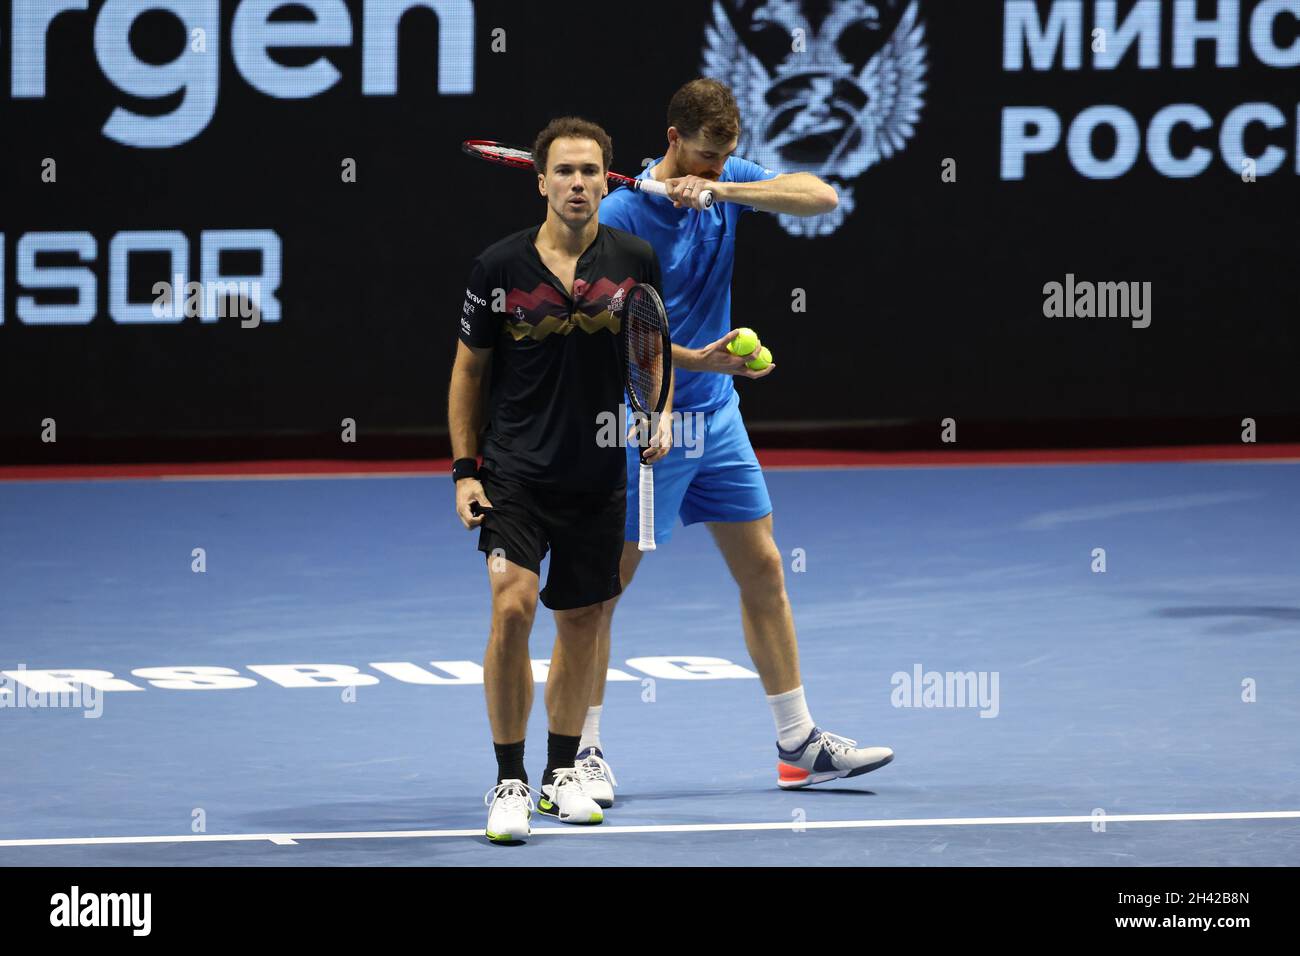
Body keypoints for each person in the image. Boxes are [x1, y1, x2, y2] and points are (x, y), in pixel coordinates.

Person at [575, 79, 893, 806]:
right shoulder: (622, 214)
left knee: (764, 568)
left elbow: (821, 197)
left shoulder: (725, 182)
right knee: (600, 592)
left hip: (717, 417)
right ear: (673, 138)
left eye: (727, 158)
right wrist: (691, 367)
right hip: (645, 420)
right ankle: (581, 751)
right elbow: (616, 334)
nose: (718, 167)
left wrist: (726, 194)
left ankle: (798, 743)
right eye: (707, 157)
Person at [448, 116, 670, 844]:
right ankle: (509, 779)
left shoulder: (635, 256)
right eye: (565, 172)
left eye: (591, 173)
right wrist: (463, 470)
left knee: (581, 622)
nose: (579, 184)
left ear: (607, 181)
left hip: (596, 472)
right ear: (540, 180)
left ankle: (561, 772)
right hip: (514, 473)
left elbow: (651, 344)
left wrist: (659, 412)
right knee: (513, 607)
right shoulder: (498, 268)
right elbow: (469, 371)